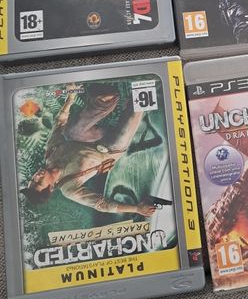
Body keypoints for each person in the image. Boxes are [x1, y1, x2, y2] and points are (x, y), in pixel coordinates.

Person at [22, 83, 163, 216]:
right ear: (51, 187)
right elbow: (101, 204)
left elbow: (59, 123)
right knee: (139, 103)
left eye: (33, 179)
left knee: (71, 131)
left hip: (93, 135)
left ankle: (105, 100)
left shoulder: (51, 152)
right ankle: (142, 91)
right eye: (39, 182)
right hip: (112, 149)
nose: (36, 176)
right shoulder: (69, 189)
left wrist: (70, 98)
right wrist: (137, 209)